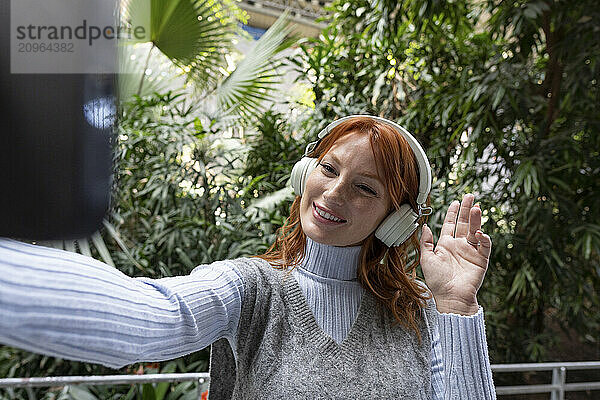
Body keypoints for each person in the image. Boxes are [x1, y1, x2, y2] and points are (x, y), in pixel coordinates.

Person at [0, 115, 496, 399]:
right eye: (328, 168)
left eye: (365, 188)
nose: (333, 192)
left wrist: (455, 306)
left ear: (396, 220)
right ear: (305, 173)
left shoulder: (419, 318)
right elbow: (151, 314)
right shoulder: (251, 289)